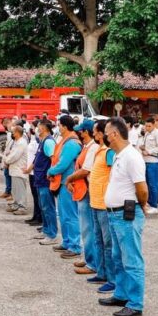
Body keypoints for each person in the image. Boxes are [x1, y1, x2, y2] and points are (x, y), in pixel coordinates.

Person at [100, 117, 149, 316]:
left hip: (126, 214)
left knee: (132, 260)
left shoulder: (132, 156)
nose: (104, 136)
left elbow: (142, 189)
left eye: (106, 132)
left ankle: (135, 303)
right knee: (118, 258)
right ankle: (122, 294)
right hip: (115, 214)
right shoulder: (119, 155)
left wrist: (142, 206)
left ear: (114, 134)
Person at [84, 121, 116, 294]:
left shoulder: (109, 152)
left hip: (104, 204)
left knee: (108, 243)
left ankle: (112, 278)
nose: (94, 136)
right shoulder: (99, 150)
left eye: (96, 133)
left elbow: (113, 176)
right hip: (95, 202)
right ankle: (101, 272)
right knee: (98, 240)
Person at [65, 120, 99, 274]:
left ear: (86, 131)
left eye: (81, 130)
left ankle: (92, 262)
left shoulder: (93, 147)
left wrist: (70, 178)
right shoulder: (87, 146)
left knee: (88, 228)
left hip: (87, 190)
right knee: (86, 227)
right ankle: (88, 257)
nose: (79, 133)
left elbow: (85, 170)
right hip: (82, 189)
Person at [48, 115, 83, 259]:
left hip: (68, 183)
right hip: (63, 183)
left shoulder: (71, 143)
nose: (58, 127)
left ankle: (74, 245)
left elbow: (63, 164)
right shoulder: (66, 141)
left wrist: (51, 171)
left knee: (70, 216)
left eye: (59, 125)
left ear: (64, 126)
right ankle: (67, 241)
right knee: (63, 215)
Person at [32, 120, 60, 246]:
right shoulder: (43, 140)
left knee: (48, 208)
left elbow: (53, 159)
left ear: (43, 128)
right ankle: (46, 230)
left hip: (45, 180)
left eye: (38, 127)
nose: (37, 129)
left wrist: (51, 174)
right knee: (43, 207)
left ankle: (52, 234)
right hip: (39, 179)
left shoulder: (48, 141)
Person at [1, 125, 30, 215]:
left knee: (20, 189)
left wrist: (6, 160)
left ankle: (22, 207)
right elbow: (11, 153)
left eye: (13, 132)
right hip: (15, 169)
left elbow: (14, 156)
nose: (12, 134)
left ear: (17, 133)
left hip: (19, 169)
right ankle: (16, 204)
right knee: (16, 190)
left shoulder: (21, 143)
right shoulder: (17, 142)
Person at [138, 117, 158, 214]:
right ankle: (149, 203)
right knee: (147, 183)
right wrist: (143, 147)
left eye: (149, 126)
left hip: (153, 161)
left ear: (154, 124)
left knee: (154, 184)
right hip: (145, 161)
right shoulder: (146, 133)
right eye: (146, 126)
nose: (147, 127)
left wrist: (149, 151)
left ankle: (154, 205)